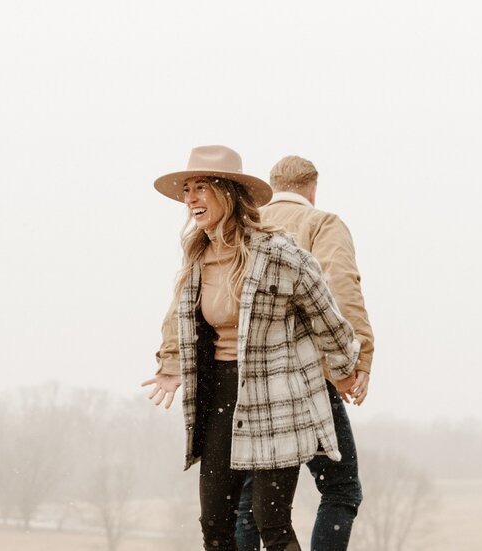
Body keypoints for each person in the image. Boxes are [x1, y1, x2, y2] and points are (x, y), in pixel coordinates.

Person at [141, 145, 361, 551]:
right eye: (187, 189)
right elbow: (179, 316)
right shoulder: (197, 257)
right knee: (215, 524)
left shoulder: (278, 253)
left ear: (229, 192)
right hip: (221, 394)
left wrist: (345, 369)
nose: (190, 198)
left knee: (270, 522)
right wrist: (170, 365)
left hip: (276, 394)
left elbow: (327, 314)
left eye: (201, 187)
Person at [236, 155, 374, 551]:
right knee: (341, 488)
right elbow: (341, 288)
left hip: (252, 384)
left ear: (272, 185)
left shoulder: (246, 228)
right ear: (312, 189)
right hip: (306, 377)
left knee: (248, 501)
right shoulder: (321, 224)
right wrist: (353, 363)